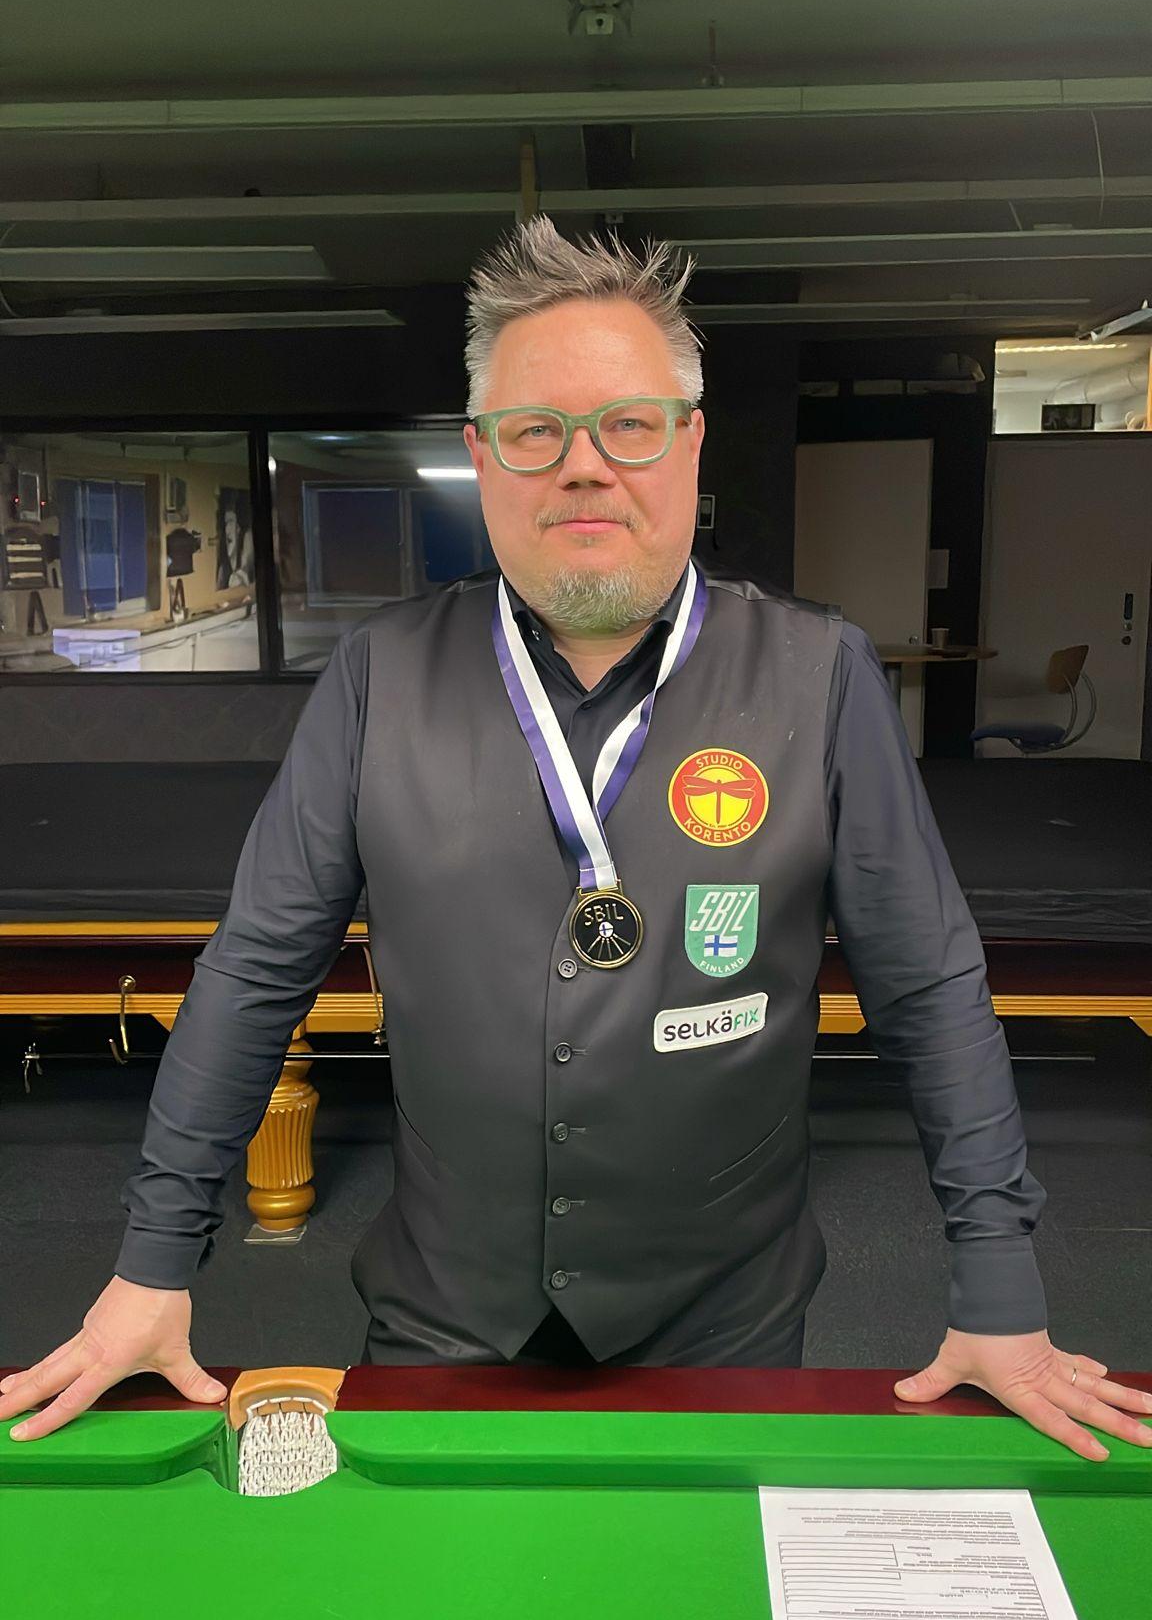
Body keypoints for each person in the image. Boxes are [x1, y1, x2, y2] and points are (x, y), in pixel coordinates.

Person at [4, 216, 1150, 1462]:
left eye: (629, 424)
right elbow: (252, 975)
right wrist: (152, 1262)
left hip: (728, 1320)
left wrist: (1000, 1279)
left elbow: (929, 984)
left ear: (691, 443)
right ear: (482, 455)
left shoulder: (818, 674)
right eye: (536, 429)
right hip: (443, 1316)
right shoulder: (380, 676)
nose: (585, 466)